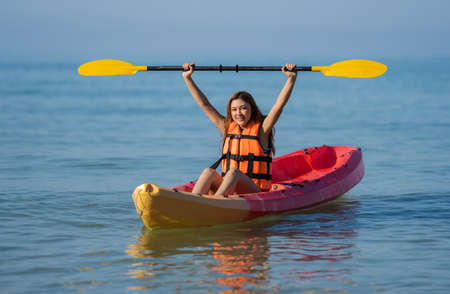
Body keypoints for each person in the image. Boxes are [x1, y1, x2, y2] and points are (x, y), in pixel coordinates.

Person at [182, 62, 297, 196]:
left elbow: (278, 106)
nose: (239, 113)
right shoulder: (227, 127)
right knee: (209, 172)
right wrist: (188, 78)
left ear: (251, 109)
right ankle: (194, 202)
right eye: (234, 110)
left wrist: (291, 79)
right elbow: (204, 104)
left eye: (243, 108)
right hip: (230, 190)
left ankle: (216, 203)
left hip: (255, 192)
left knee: (233, 173)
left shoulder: (262, 129)